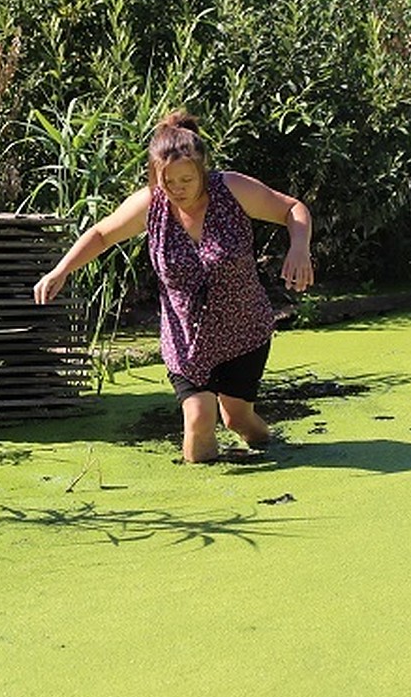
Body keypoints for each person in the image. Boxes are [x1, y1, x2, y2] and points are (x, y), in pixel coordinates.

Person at [33, 109, 314, 463]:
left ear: (202, 171)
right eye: (169, 182)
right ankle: (206, 501)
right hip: (187, 340)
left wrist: (299, 248)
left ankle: (275, 447)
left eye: (187, 180)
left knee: (237, 418)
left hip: (243, 328)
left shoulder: (231, 189)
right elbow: (102, 234)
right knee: (198, 419)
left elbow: (292, 210)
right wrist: (61, 270)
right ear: (156, 176)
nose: (178, 190)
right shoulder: (151, 205)